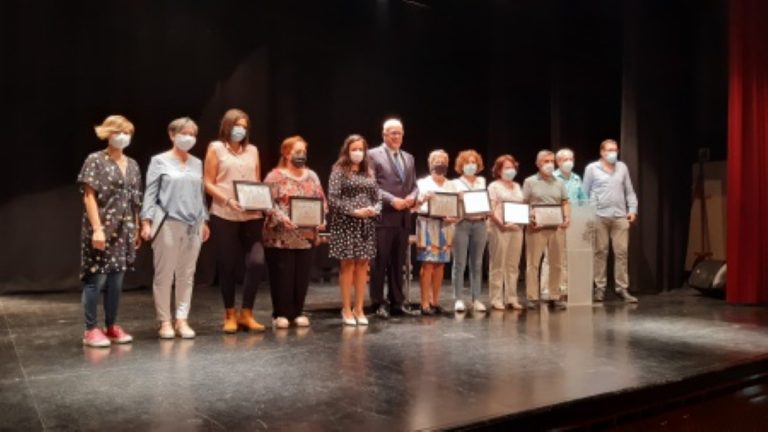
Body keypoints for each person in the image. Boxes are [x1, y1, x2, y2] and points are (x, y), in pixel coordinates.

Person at [140, 117, 210, 339]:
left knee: (187, 274)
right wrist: (146, 221)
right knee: (165, 274)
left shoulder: (197, 163)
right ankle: (164, 322)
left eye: (192, 134)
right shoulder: (159, 161)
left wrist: (205, 219)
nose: (189, 138)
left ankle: (182, 319)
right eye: (184, 133)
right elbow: (150, 192)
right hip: (168, 223)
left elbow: (200, 194)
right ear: (172, 135)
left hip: (194, 224)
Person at [77, 115, 142, 347]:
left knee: (116, 280)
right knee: (97, 278)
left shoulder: (133, 165)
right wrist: (97, 229)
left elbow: (134, 199)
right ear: (107, 133)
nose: (124, 136)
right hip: (102, 228)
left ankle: (112, 325)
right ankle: (91, 329)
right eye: (119, 131)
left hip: (125, 230)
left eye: (128, 132)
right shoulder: (95, 160)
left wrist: (136, 226)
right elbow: (89, 196)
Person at [203, 108, 267, 333]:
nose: (240, 130)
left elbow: (256, 180)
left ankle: (246, 313)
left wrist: (260, 201)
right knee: (227, 264)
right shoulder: (216, 148)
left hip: (251, 214)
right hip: (224, 213)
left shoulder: (253, 150)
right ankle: (229, 313)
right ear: (227, 126)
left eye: (244, 126)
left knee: (257, 262)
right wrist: (228, 200)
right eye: (237, 125)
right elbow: (208, 182)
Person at [263, 136, 326, 329]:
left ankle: (298, 311)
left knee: (301, 275)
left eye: (304, 152)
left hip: (305, 236)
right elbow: (266, 203)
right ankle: (280, 313)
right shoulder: (274, 177)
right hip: (280, 236)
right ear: (286, 153)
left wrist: (322, 219)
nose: (301, 156)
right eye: (297, 152)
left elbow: (322, 201)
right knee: (283, 275)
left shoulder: (312, 176)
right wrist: (283, 219)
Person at [368, 119, 420, 318]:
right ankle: (378, 303)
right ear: (384, 135)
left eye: (399, 133)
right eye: (392, 133)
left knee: (399, 263)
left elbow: (414, 185)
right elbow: (371, 186)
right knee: (380, 262)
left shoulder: (409, 157)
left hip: (403, 218)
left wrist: (413, 196)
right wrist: (392, 200)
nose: (396, 136)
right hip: (383, 217)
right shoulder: (372, 155)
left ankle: (398, 303)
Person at [328, 134, 381, 326]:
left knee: (363, 266)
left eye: (361, 149)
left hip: (366, 224)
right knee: (348, 265)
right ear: (347, 150)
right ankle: (347, 308)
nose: (358, 152)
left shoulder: (369, 171)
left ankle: (359, 308)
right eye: (354, 149)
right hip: (346, 223)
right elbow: (333, 199)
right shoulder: (338, 170)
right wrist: (354, 211)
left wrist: (374, 210)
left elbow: (378, 196)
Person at [582, 139, 639, 303]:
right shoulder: (592, 169)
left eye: (615, 149)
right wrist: (587, 214)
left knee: (621, 253)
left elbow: (629, 191)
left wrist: (632, 210)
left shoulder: (622, 167)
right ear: (602, 152)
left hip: (620, 216)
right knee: (600, 252)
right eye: (609, 150)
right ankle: (599, 288)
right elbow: (584, 193)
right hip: (599, 216)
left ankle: (622, 288)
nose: (613, 153)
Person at [522, 150, 570, 310]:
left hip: (556, 228)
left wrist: (567, 217)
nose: (549, 164)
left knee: (557, 263)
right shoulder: (530, 182)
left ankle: (555, 296)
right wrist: (530, 217)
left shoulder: (559, 182)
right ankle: (532, 297)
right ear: (538, 164)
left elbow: (565, 202)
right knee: (533, 263)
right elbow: (524, 202)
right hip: (536, 228)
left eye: (551, 161)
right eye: (545, 161)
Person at [540, 148, 588, 298]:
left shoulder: (576, 179)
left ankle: (563, 287)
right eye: (565, 159)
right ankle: (547, 289)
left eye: (571, 159)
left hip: (572, 222)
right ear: (558, 162)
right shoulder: (551, 178)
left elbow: (583, 200)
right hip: (554, 221)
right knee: (550, 257)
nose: (569, 162)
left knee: (566, 257)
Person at [414, 150, 458, 315]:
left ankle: (435, 301)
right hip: (427, 223)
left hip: (445, 226)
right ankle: (424, 302)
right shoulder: (422, 183)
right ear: (430, 163)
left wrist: (455, 216)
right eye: (437, 160)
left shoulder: (451, 184)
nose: (440, 163)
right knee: (428, 264)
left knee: (440, 264)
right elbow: (415, 205)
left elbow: (456, 208)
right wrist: (423, 199)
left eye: (443, 160)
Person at [451, 149, 489, 313]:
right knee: (459, 263)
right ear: (461, 165)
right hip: (462, 224)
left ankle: (476, 299)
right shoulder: (455, 183)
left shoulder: (482, 181)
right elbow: (451, 204)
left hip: (480, 224)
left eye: (474, 162)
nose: (471, 165)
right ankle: (458, 298)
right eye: (467, 163)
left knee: (477, 263)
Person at [487, 155, 525, 311]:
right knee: (498, 264)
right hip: (499, 228)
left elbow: (522, 206)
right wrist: (501, 224)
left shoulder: (517, 186)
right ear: (499, 170)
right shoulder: (494, 187)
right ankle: (496, 298)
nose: (510, 171)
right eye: (506, 168)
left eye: (512, 167)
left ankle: (512, 297)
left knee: (513, 265)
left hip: (516, 229)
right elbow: (490, 209)